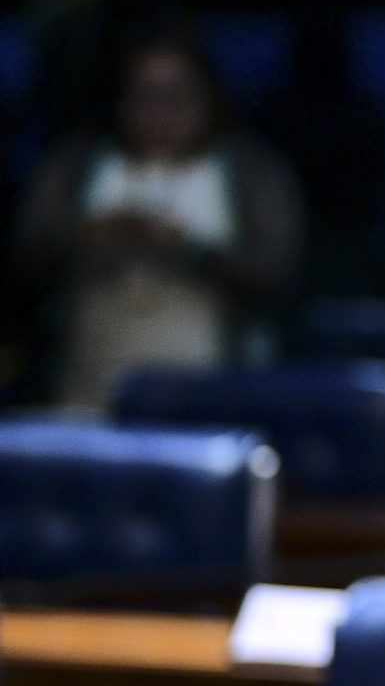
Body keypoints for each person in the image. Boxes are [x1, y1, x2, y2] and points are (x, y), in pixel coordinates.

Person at [16, 23, 303, 410]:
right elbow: (27, 255)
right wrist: (92, 234)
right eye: (143, 97)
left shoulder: (249, 171)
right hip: (86, 389)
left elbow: (277, 271)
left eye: (176, 97)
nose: (159, 114)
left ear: (208, 96)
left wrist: (188, 247)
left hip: (207, 389)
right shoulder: (79, 164)